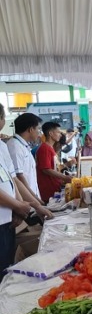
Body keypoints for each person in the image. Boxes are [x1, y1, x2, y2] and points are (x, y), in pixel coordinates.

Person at [0, 104, 32, 282]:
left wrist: (19, 208)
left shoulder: (1, 146)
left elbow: (12, 180)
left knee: (6, 268)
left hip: (7, 220)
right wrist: (18, 205)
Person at [7, 113, 44, 203]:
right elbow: (19, 177)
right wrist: (35, 199)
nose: (39, 134)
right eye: (38, 129)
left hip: (32, 199)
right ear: (30, 129)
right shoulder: (15, 146)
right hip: (27, 201)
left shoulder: (23, 146)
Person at [36, 122, 72, 202]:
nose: (60, 134)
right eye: (58, 132)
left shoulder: (50, 148)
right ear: (50, 133)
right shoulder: (44, 148)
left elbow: (55, 168)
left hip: (55, 188)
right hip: (48, 191)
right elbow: (46, 169)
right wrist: (64, 177)